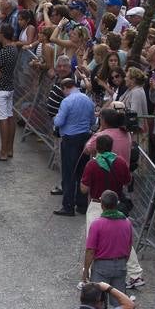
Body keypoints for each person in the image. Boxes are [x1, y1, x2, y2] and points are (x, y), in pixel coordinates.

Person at [81, 191, 133, 309]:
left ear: (102, 206)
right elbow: (129, 247)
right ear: (116, 204)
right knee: (120, 302)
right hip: (121, 264)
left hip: (102, 266)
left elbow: (90, 251)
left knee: (98, 301)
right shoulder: (126, 222)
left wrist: (85, 272)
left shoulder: (97, 224)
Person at [53, 77, 96, 216]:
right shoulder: (88, 100)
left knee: (68, 173)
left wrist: (55, 119)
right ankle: (82, 204)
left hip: (70, 139)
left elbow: (59, 121)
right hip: (84, 138)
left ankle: (68, 206)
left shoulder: (67, 101)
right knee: (82, 172)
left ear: (65, 88)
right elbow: (92, 121)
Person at [0, 25, 20, 161]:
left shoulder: (4, 52)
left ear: (2, 35)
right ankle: (9, 149)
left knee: (3, 120)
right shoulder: (14, 49)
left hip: (0, 89)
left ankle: (3, 152)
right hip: (9, 87)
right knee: (9, 117)